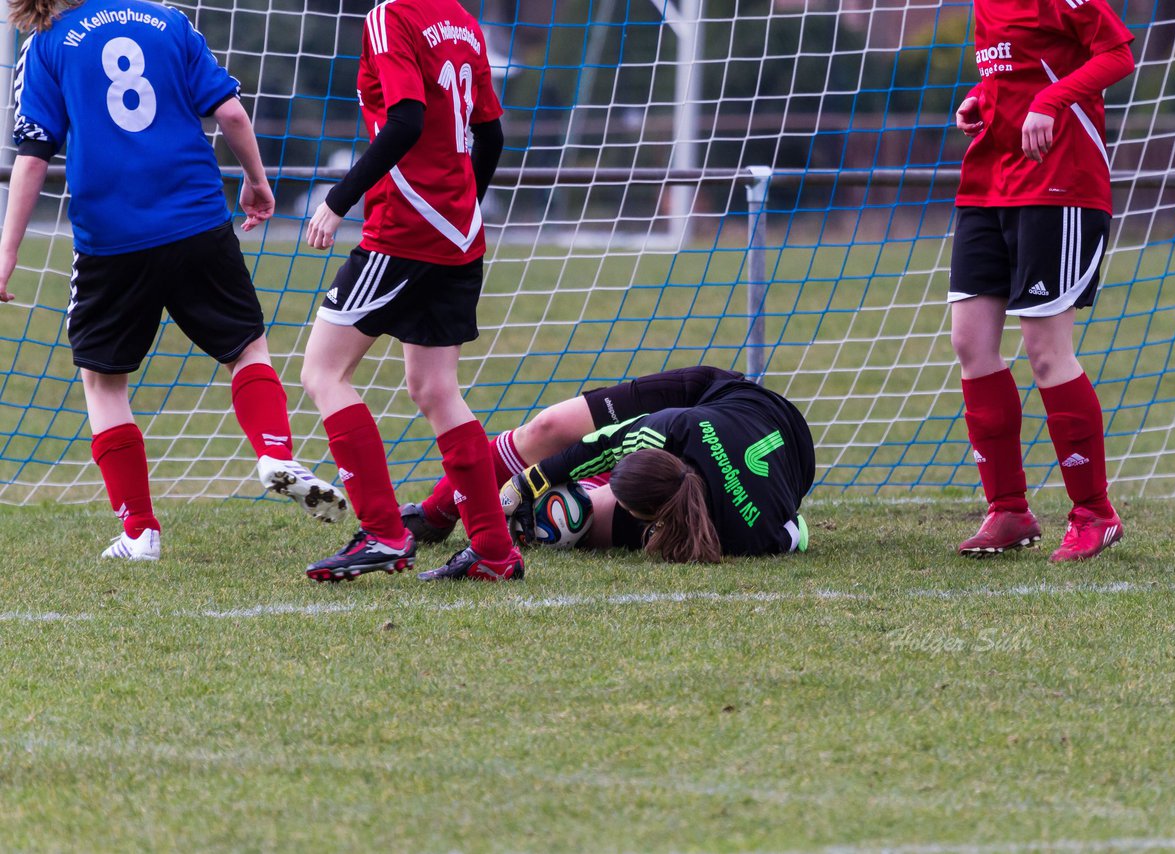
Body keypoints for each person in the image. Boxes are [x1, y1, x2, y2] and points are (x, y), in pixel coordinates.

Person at [0, 0, 347, 561]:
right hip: (197, 220)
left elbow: (34, 156)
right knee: (246, 348)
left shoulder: (46, 41)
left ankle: (140, 531)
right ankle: (276, 452)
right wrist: (257, 182)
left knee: (103, 381)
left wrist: (6, 253)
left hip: (111, 239)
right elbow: (231, 115)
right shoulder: (168, 21)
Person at [298, 0, 519, 583]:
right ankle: (495, 552)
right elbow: (490, 133)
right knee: (436, 389)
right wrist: (462, 203)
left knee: (323, 372)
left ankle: (382, 533)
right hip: (460, 234)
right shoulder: (463, 20)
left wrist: (337, 200)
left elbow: (406, 118)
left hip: (403, 231)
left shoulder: (389, 15)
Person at [948, 0, 1136, 561]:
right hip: (989, 183)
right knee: (971, 344)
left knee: (1045, 350)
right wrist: (982, 100)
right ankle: (1008, 511)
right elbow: (1012, 71)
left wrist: (1052, 102)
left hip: (1060, 185)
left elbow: (1118, 54)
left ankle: (1094, 514)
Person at [404, 366, 815, 574]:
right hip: (715, 396)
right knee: (549, 429)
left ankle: (581, 497)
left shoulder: (750, 536)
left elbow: (795, 528)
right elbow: (602, 445)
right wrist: (522, 484)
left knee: (569, 523)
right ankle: (437, 513)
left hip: (791, 454)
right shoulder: (671, 428)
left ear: (652, 516)